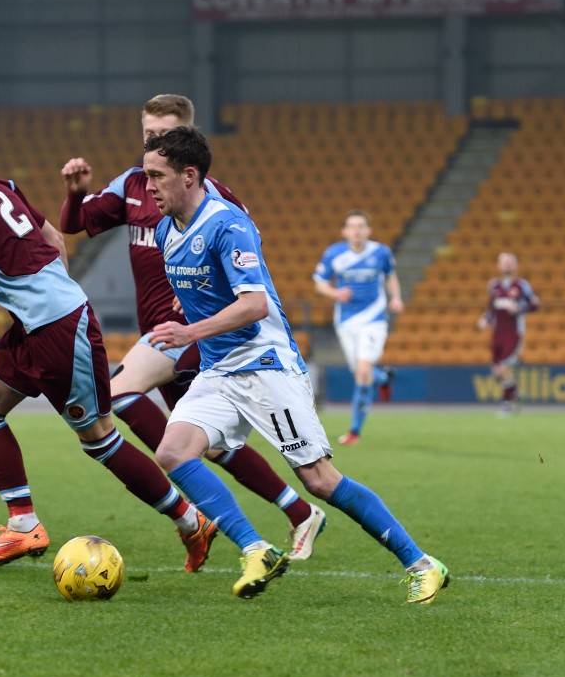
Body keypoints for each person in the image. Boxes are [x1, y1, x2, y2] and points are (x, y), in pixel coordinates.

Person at [0, 117, 249, 585]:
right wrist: (46, 292)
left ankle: (191, 520)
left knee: (99, 438)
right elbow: (54, 238)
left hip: (56, 328)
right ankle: (23, 524)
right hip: (39, 321)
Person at [144, 126, 449, 604]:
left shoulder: (229, 225)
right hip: (220, 370)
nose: (148, 187)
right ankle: (255, 547)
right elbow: (205, 293)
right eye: (146, 177)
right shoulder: (165, 231)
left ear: (189, 175)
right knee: (173, 452)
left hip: (267, 365)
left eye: (156, 176)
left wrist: (188, 332)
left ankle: (423, 564)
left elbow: (254, 305)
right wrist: (192, 313)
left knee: (319, 480)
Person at [59, 94, 327, 561]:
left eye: (163, 136)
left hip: (191, 330)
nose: (154, 144)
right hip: (166, 334)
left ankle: (196, 512)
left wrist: (201, 324)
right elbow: (75, 224)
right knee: (211, 446)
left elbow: (249, 270)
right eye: (147, 136)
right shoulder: (132, 185)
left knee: (119, 392)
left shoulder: (212, 198)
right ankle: (300, 511)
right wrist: (76, 192)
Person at [312, 210, 402, 445]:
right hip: (346, 322)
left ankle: (354, 431)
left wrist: (396, 298)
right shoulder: (334, 253)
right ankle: (383, 378)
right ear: (345, 231)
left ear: (368, 230)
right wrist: (335, 293)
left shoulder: (381, 252)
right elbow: (319, 282)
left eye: (361, 226)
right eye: (352, 226)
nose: (357, 230)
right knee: (362, 373)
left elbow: (390, 276)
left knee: (362, 371)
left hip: (374, 319)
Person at [477, 252, 540, 416]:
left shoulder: (522, 285)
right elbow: (491, 308)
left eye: (509, 262)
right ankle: (516, 393)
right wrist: (485, 319)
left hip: (514, 333)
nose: (506, 265)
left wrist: (520, 308)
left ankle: (507, 405)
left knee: (504, 368)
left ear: (515, 265)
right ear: (498, 265)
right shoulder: (494, 286)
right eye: (503, 262)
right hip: (497, 333)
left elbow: (534, 304)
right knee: (496, 372)